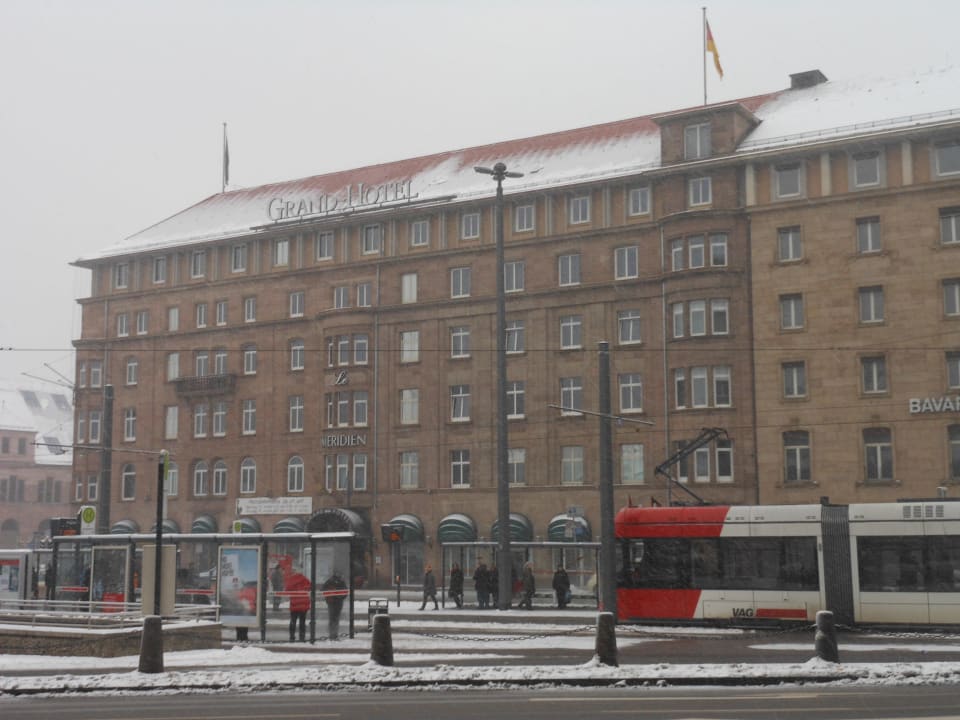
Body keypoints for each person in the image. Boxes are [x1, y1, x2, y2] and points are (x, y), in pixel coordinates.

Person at [285, 566, 312, 642]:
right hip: (303, 603)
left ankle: (292, 636)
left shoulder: (291, 580)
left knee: (293, 620)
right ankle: (302, 637)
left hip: (294, 603)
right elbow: (310, 587)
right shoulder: (305, 579)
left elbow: (287, 590)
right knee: (302, 621)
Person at [321, 570, 347, 639]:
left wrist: (330, 595)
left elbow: (323, 590)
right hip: (337, 602)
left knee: (332, 618)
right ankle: (334, 634)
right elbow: (345, 593)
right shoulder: (341, 582)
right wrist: (339, 597)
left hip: (331, 602)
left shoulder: (329, 581)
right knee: (336, 618)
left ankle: (332, 634)